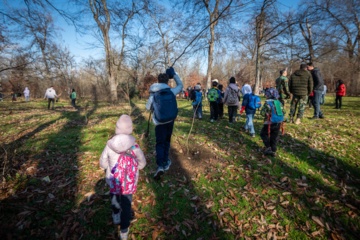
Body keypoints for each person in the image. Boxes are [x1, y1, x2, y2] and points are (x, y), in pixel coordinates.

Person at [99, 115, 146, 240]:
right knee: (126, 205)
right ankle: (124, 231)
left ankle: (115, 215)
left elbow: (102, 162)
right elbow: (142, 163)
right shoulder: (135, 147)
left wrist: (106, 167)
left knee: (114, 197)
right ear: (130, 129)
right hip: (128, 182)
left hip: (113, 179)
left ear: (117, 128)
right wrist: (137, 168)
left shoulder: (110, 145)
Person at [145, 67, 183, 180]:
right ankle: (166, 161)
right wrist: (174, 74)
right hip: (170, 120)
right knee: (167, 141)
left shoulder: (154, 93)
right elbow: (180, 86)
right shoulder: (171, 91)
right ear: (167, 81)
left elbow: (148, 107)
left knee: (160, 143)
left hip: (159, 123)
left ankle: (160, 165)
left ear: (158, 80)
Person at [260, 88, 285, 157]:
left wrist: (266, 114)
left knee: (263, 134)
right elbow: (284, 112)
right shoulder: (279, 103)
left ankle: (268, 147)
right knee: (274, 136)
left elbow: (262, 113)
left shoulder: (267, 103)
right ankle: (273, 150)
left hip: (269, 122)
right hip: (279, 122)